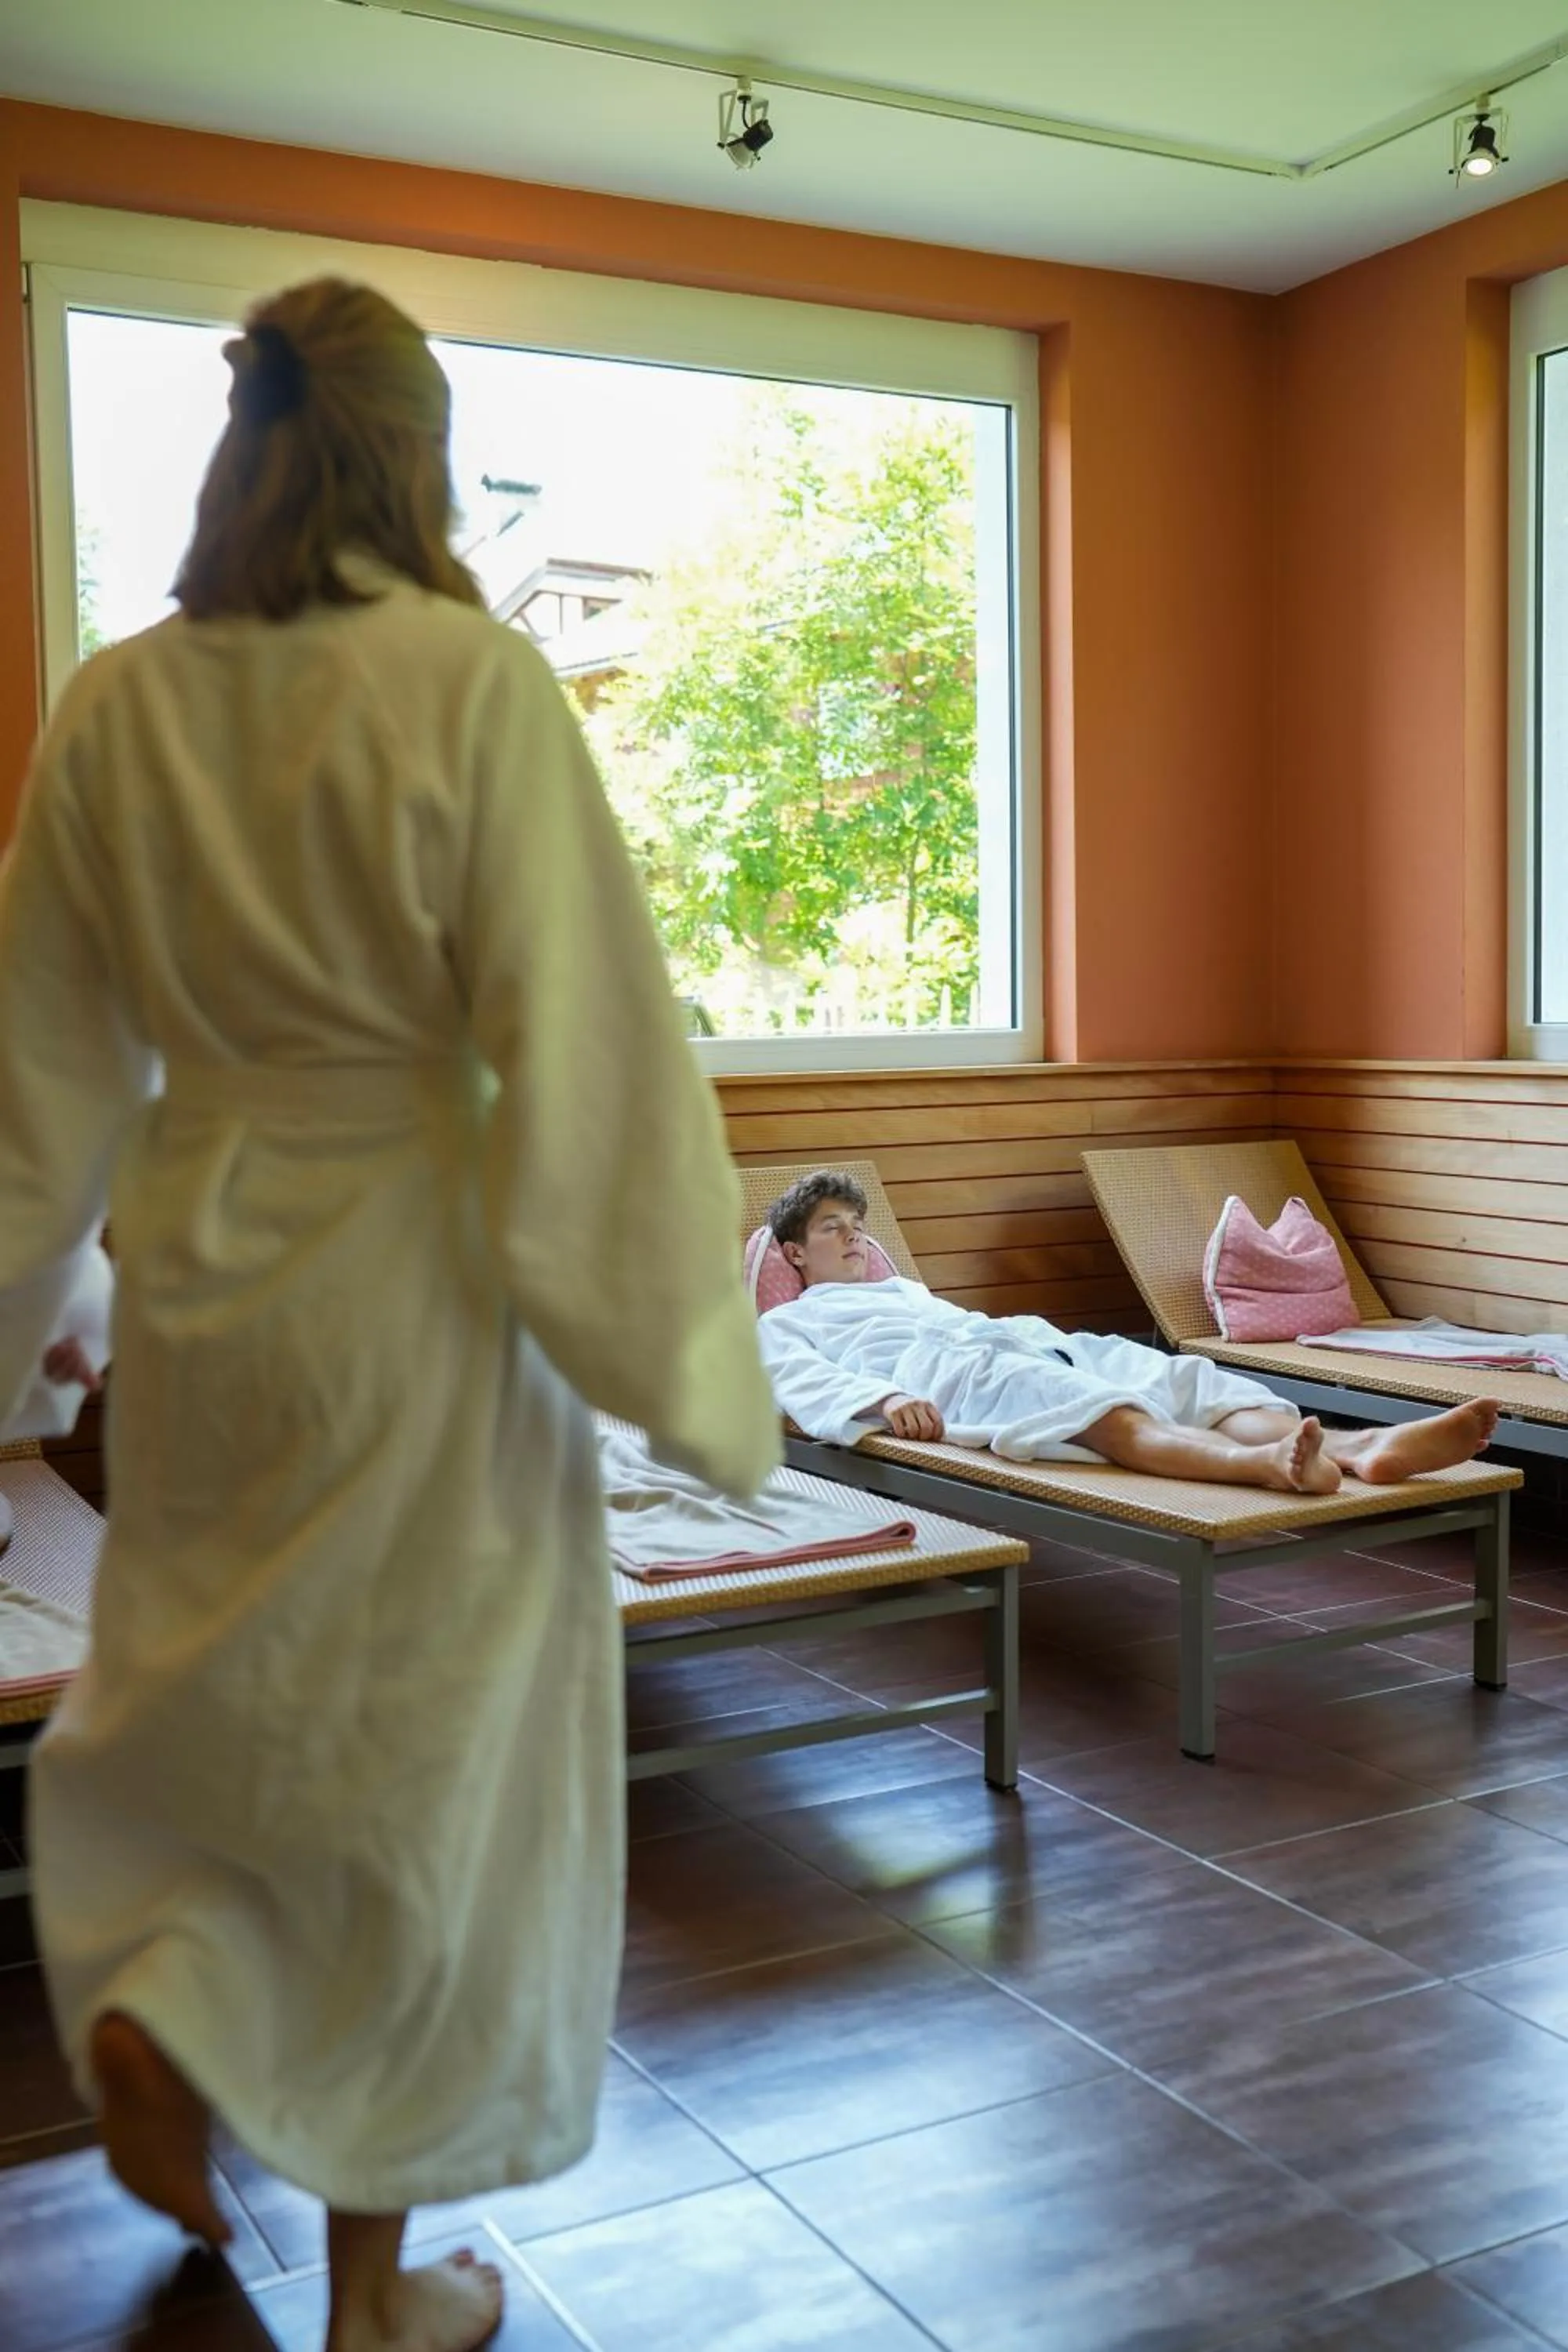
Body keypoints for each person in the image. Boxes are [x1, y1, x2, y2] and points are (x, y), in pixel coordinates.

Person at [0, 278, 779, 2352]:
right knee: (418, 1771)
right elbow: (589, 1047)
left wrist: (19, 1336)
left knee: (222, 1702)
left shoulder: (116, 704)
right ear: (416, 455)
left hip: (207, 1297)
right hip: (421, 1305)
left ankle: (165, 2001)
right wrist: (692, 1372)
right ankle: (370, 2299)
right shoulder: (469, 683)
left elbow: (36, 1082)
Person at [759, 1171, 1499, 1494]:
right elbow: (797, 1383)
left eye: (858, 1226)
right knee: (1109, 1414)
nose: (854, 1237)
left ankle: (1360, 1448)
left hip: (1021, 1339)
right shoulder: (786, 1320)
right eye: (833, 1229)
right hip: (960, 1377)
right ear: (793, 1253)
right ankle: (1265, 1467)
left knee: (1184, 1380)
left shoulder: (905, 1288)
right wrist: (886, 1399)